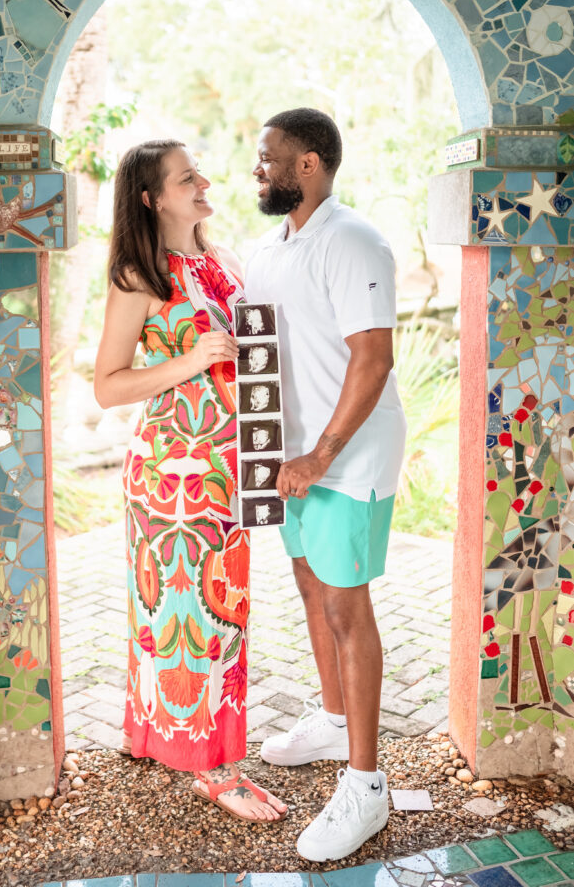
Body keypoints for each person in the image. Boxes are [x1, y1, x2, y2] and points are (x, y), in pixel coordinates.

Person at [94, 139, 287, 823]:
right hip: (170, 476)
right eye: (186, 178)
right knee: (179, 616)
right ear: (152, 198)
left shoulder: (223, 261)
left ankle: (158, 737)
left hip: (230, 470)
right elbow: (107, 387)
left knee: (219, 612)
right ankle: (213, 770)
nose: (204, 182)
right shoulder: (137, 277)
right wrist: (189, 361)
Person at [245, 108, 406, 859]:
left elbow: (372, 359)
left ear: (307, 164)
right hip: (294, 460)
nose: (258, 169)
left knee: (346, 609)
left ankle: (365, 787)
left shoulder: (351, 240)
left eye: (267, 157)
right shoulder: (271, 249)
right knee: (311, 590)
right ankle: (335, 722)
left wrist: (323, 453)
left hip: (347, 461)